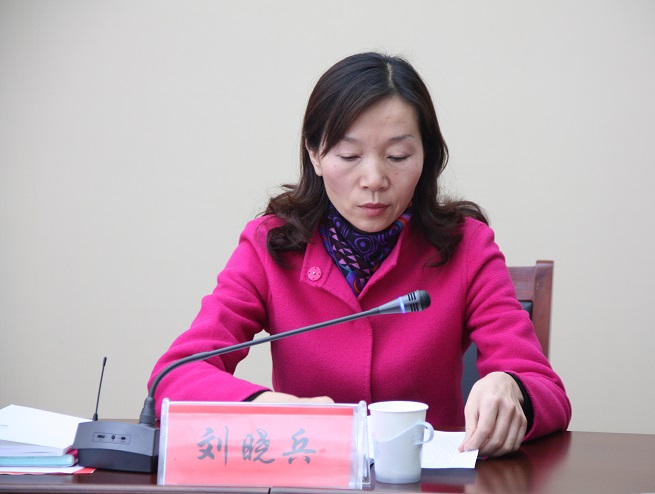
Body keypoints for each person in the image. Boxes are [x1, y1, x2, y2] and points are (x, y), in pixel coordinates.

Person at [149, 52, 571, 457]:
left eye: (398, 156)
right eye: (349, 155)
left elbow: (546, 391)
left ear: (426, 156)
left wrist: (511, 387)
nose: (374, 179)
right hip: (310, 478)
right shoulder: (270, 244)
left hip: (429, 485)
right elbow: (176, 375)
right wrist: (271, 409)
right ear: (315, 155)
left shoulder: (466, 246)